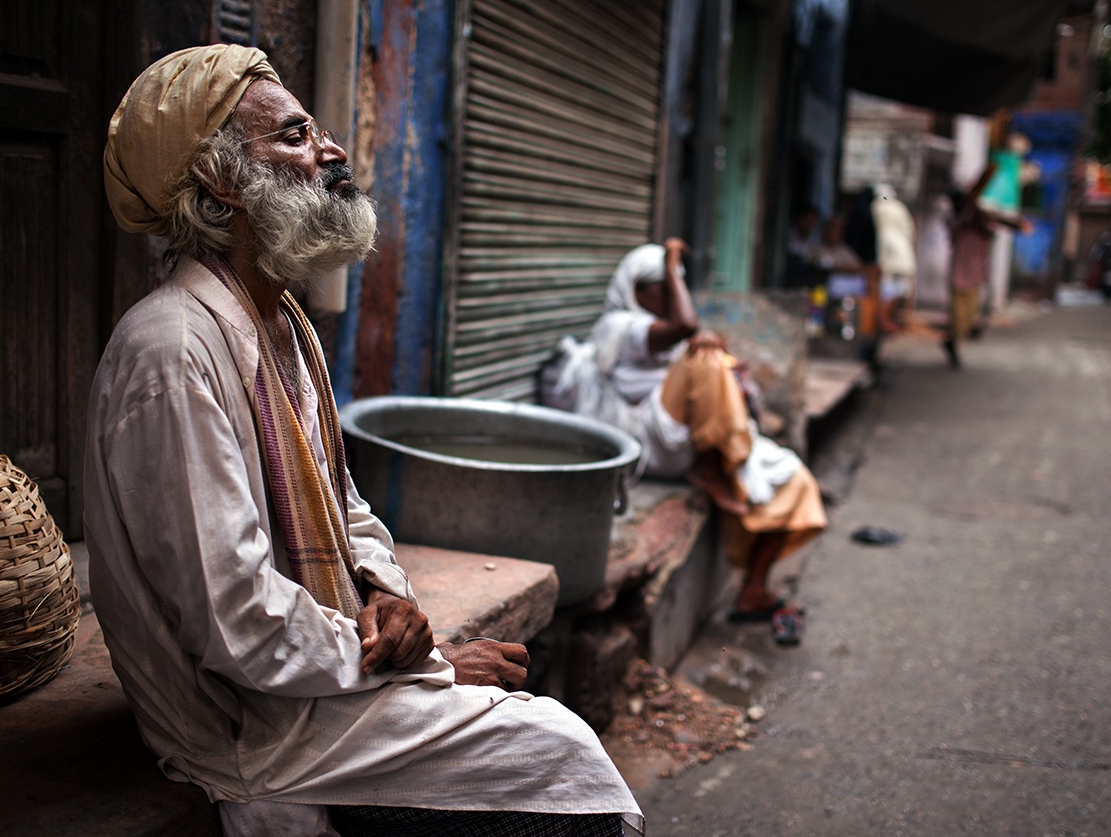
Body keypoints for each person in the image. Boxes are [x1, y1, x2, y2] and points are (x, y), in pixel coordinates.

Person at [88, 44, 641, 837]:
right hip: (252, 722)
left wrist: (384, 597)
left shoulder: (281, 320)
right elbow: (233, 614)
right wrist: (431, 663)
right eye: (293, 136)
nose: (333, 150)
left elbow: (343, 507)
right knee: (557, 754)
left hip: (319, 672)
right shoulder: (173, 349)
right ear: (220, 182)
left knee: (549, 739)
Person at [545, 239, 826, 634]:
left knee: (795, 479)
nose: (671, 291)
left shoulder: (662, 338)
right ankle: (715, 465)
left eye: (674, 282)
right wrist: (674, 257)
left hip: (686, 437)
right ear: (637, 289)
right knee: (705, 354)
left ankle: (754, 590)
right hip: (653, 441)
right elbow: (686, 325)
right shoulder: (621, 327)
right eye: (665, 284)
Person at [944, 166, 1031, 368]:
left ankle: (954, 341)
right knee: (957, 319)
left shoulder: (981, 219)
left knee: (968, 317)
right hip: (958, 274)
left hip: (975, 274)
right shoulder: (956, 220)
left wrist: (978, 210)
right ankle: (952, 343)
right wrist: (970, 209)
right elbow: (957, 225)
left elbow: (991, 226)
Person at [871, 184, 917, 333]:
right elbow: (910, 230)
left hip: (887, 251)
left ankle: (884, 320)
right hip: (902, 252)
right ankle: (891, 321)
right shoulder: (900, 208)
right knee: (900, 290)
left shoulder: (876, 207)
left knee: (888, 289)